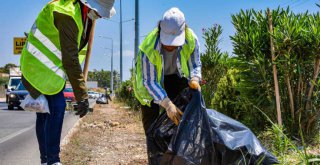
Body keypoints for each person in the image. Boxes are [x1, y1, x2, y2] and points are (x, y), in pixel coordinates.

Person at [20, 0, 115, 164]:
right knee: (57, 107)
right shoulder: (67, 15)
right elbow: (70, 60)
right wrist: (82, 96)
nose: (100, 15)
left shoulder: (83, 15)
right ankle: (53, 160)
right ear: (88, 5)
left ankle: (46, 160)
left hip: (50, 70)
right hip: (39, 67)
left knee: (44, 111)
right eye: (99, 11)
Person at [133, 7, 201, 163]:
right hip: (149, 88)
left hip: (174, 78)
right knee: (152, 131)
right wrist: (167, 104)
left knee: (180, 123)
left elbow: (195, 64)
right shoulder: (148, 47)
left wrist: (195, 79)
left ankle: (176, 159)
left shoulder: (191, 39)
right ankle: (156, 161)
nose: (170, 46)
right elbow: (150, 81)